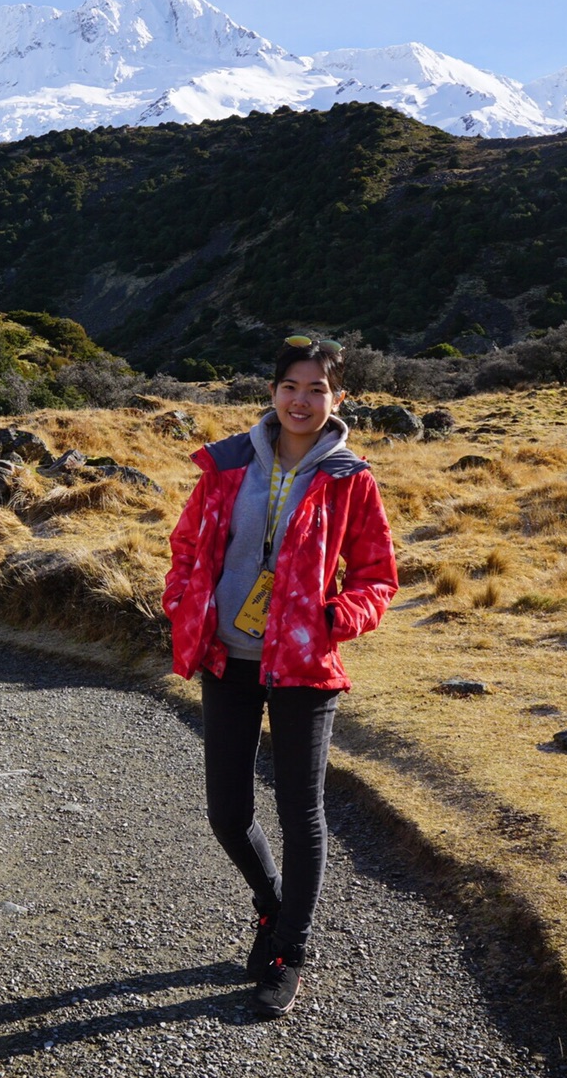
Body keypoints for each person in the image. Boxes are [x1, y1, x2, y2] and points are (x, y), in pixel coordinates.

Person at [162, 336, 398, 1018]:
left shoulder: (350, 478)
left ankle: (290, 952)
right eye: (291, 386)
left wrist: (334, 617)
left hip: (303, 664)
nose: (302, 400)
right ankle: (274, 908)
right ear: (272, 392)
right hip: (227, 657)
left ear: (339, 399)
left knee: (302, 814)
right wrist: (182, 600)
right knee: (227, 813)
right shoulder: (228, 463)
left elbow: (379, 577)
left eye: (317, 389)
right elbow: (187, 544)